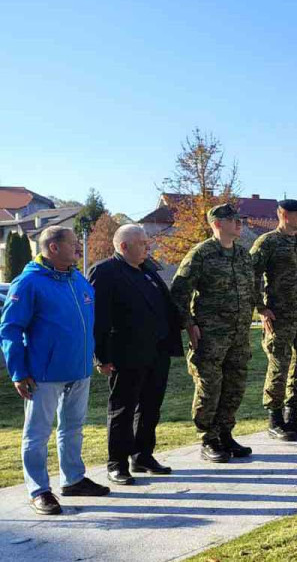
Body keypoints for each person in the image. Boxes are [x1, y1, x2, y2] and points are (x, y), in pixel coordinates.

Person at [1, 226, 110, 515]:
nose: (79, 249)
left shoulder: (78, 280)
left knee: (73, 428)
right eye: (74, 245)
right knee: (37, 434)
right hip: (43, 375)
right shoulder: (28, 284)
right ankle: (39, 490)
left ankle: (73, 479)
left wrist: (96, 358)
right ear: (53, 248)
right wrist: (18, 371)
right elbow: (10, 329)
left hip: (79, 370)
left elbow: (88, 326)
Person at [88, 224, 182, 485]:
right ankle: (116, 463)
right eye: (142, 243)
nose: (147, 247)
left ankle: (142, 455)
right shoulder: (105, 271)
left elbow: (165, 305)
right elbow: (98, 317)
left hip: (156, 352)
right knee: (123, 409)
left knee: (151, 407)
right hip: (124, 354)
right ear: (123, 246)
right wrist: (101, 356)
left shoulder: (147, 269)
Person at [170, 203, 256, 463]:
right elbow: (179, 292)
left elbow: (252, 289)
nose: (239, 224)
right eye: (233, 220)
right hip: (210, 336)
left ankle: (225, 434)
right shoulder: (201, 254)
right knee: (209, 388)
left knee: (235, 386)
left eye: (239, 220)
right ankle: (208, 438)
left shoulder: (242, 255)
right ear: (217, 224)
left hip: (239, 335)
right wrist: (189, 323)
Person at [250, 198, 297, 442]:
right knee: (279, 365)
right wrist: (261, 308)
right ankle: (275, 420)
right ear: (283, 214)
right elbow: (252, 276)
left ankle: (292, 417)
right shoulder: (267, 242)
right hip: (279, 316)